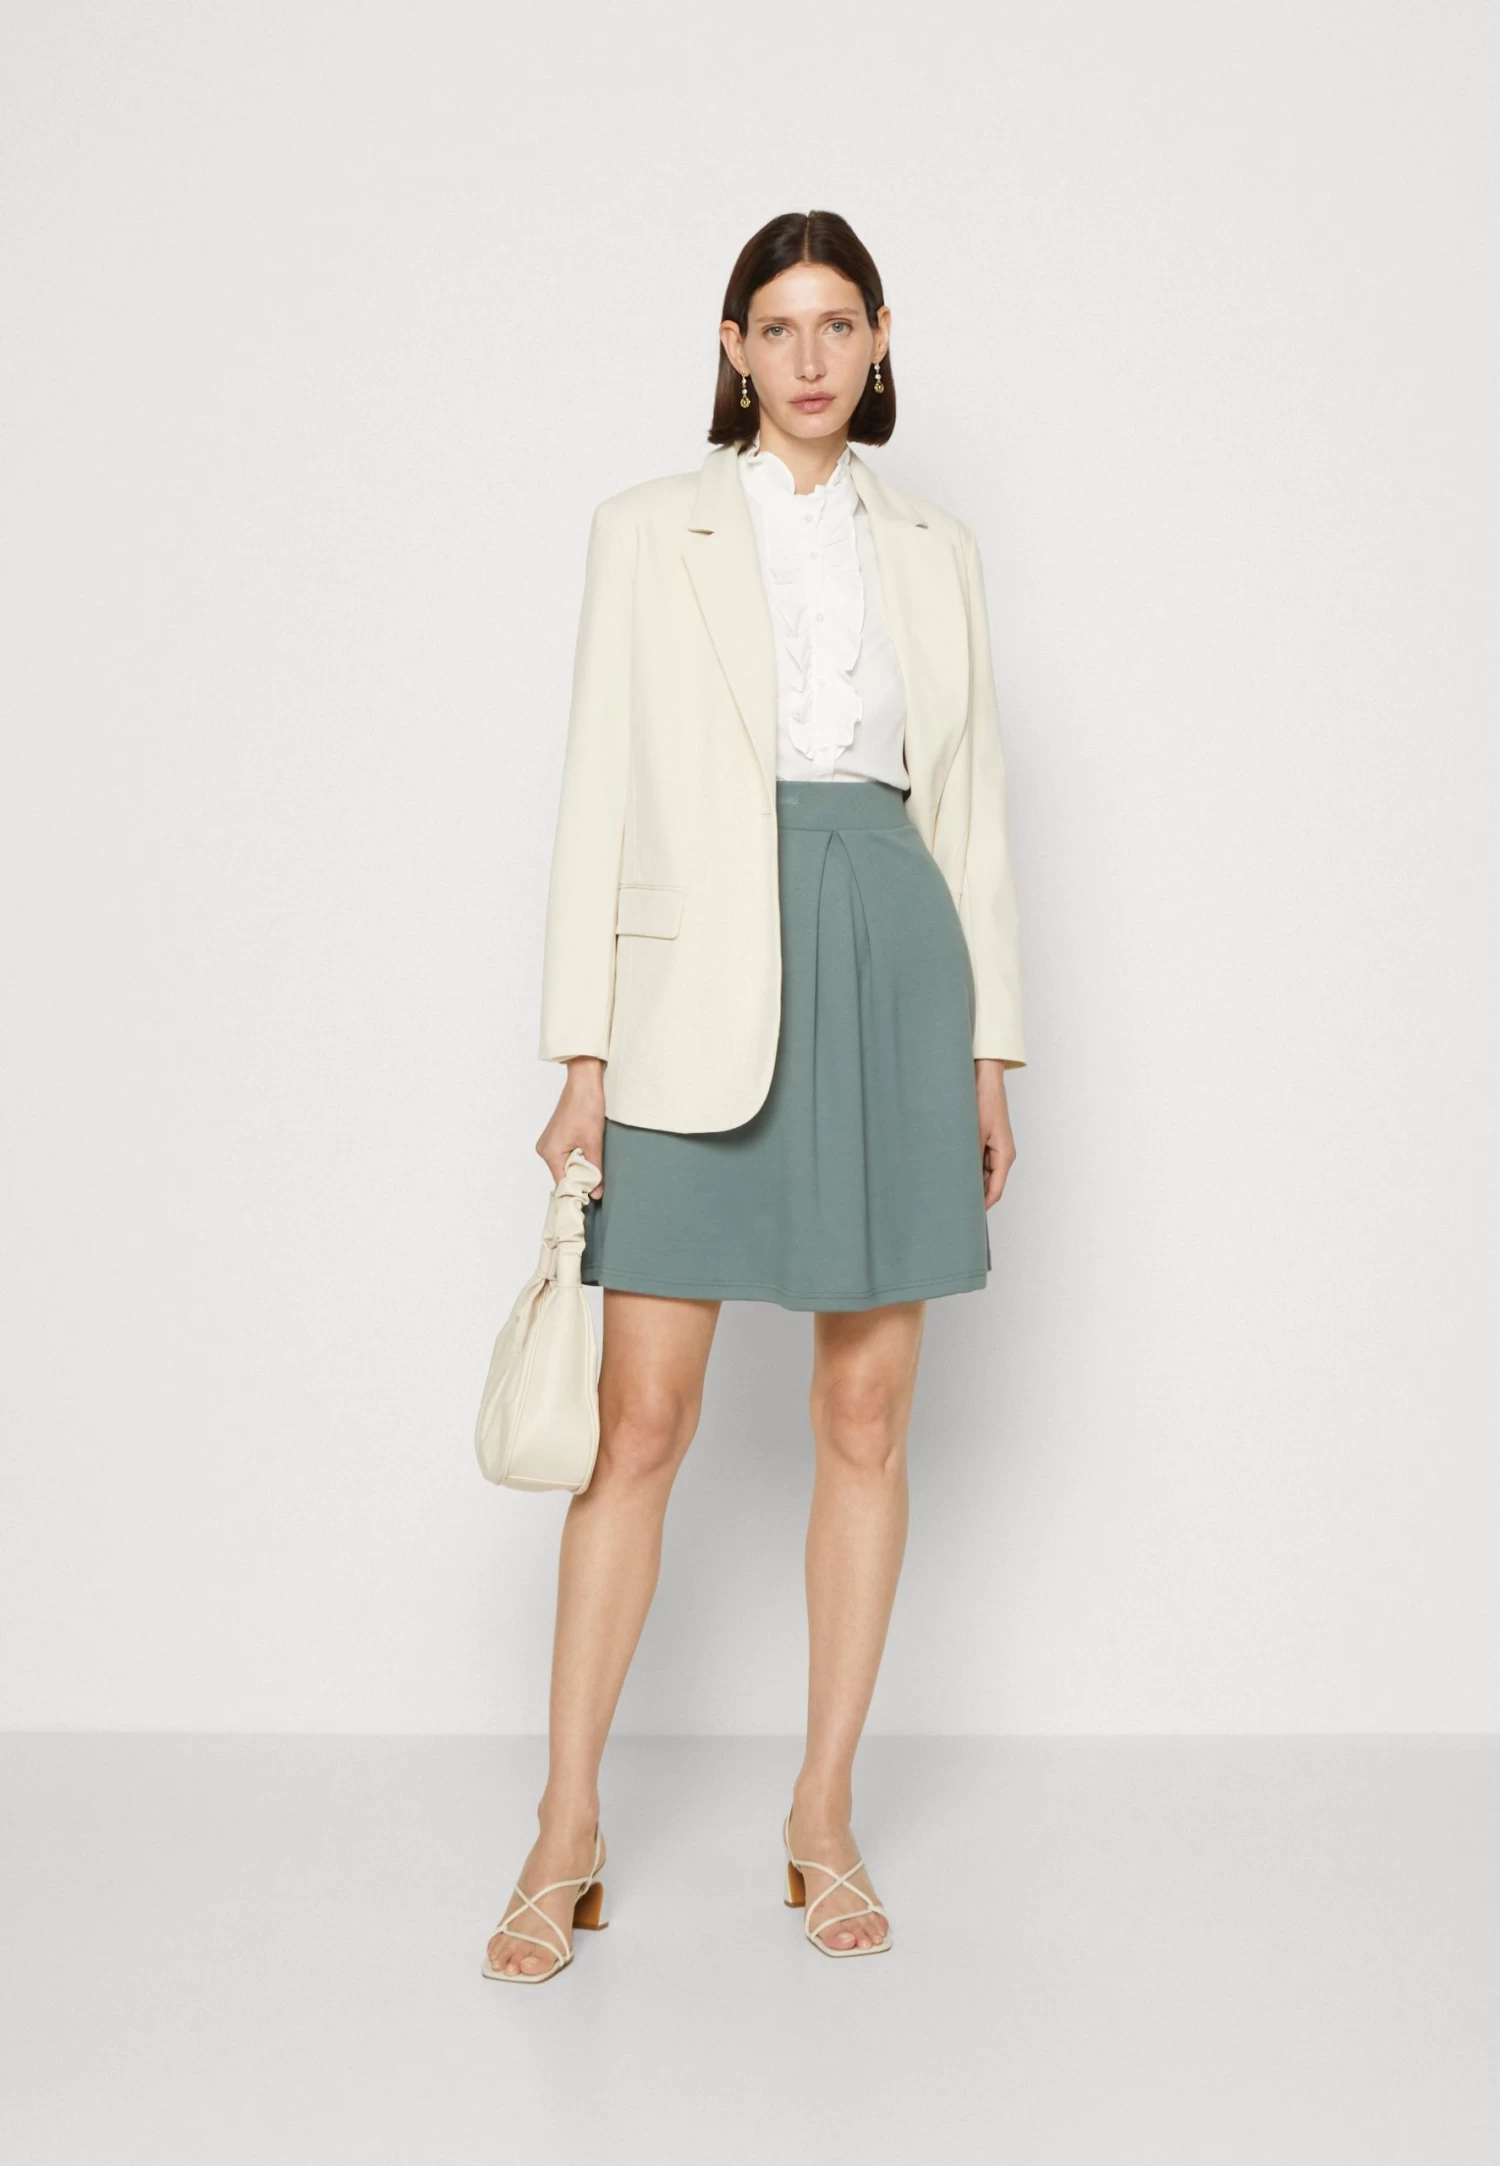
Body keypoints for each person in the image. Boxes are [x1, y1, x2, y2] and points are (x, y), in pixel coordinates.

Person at [484, 209, 1026, 1982]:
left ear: (879, 341)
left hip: (891, 959)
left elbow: (971, 808)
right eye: (778, 326)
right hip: (689, 993)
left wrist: (989, 1050)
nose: (809, 356)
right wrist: (582, 1053)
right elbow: (595, 785)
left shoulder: (936, 548)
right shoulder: (648, 529)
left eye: (838, 324)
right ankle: (566, 1825)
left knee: (865, 1414)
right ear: (733, 347)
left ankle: (823, 1811)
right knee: (640, 1423)